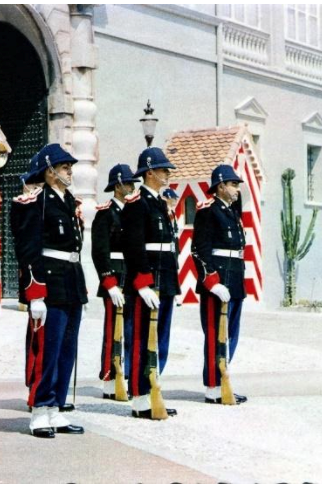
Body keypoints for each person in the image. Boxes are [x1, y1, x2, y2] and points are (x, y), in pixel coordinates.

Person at [10, 143, 88, 438]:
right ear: (50, 170)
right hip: (49, 285)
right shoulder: (35, 202)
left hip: (71, 282)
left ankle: (56, 408)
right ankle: (40, 411)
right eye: (65, 166)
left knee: (67, 350)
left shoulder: (69, 202)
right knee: (47, 350)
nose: (70, 171)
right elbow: (27, 250)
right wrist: (35, 293)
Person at [121, 147, 179, 419]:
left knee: (161, 340)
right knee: (141, 338)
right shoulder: (137, 204)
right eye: (164, 169)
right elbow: (133, 248)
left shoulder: (159, 204)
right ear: (150, 171)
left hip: (165, 282)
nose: (168, 174)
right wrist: (143, 284)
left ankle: (154, 387)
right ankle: (140, 396)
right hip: (147, 283)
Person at [192, 165, 249, 405]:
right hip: (217, 282)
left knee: (231, 335)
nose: (237, 189)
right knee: (216, 335)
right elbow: (199, 250)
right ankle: (213, 386)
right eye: (233, 184)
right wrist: (212, 282)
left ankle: (223, 378)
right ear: (221, 186)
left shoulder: (233, 213)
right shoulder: (208, 211)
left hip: (234, 280)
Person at [90, 164, 138, 401]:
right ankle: (109, 377)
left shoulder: (133, 212)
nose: (131, 187)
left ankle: (126, 375)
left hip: (131, 276)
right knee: (112, 330)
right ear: (117, 186)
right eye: (128, 183)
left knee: (130, 329)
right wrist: (109, 282)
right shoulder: (105, 214)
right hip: (115, 276)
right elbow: (100, 251)